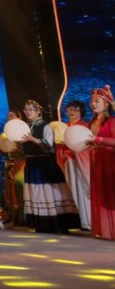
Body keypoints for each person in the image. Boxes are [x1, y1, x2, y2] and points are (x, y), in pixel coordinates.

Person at [19, 99, 80, 233]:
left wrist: (32, 139)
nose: (27, 112)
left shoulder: (45, 126)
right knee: (36, 194)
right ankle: (41, 224)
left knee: (49, 193)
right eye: (25, 109)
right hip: (31, 165)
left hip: (44, 165)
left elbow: (49, 147)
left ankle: (56, 223)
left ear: (38, 111)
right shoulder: (26, 127)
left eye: (30, 109)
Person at [57, 99, 92, 231]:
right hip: (67, 162)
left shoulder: (85, 126)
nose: (71, 112)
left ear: (81, 111)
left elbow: (88, 146)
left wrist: (75, 150)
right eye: (69, 109)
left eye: (75, 109)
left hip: (81, 162)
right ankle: (77, 220)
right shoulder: (64, 127)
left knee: (82, 190)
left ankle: (88, 220)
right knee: (71, 190)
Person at [87, 86, 115, 240]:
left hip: (110, 161)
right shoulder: (91, 123)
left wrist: (99, 140)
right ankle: (105, 229)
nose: (93, 103)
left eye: (97, 101)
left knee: (111, 194)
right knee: (100, 194)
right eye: (92, 101)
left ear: (106, 104)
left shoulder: (111, 121)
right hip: (96, 161)